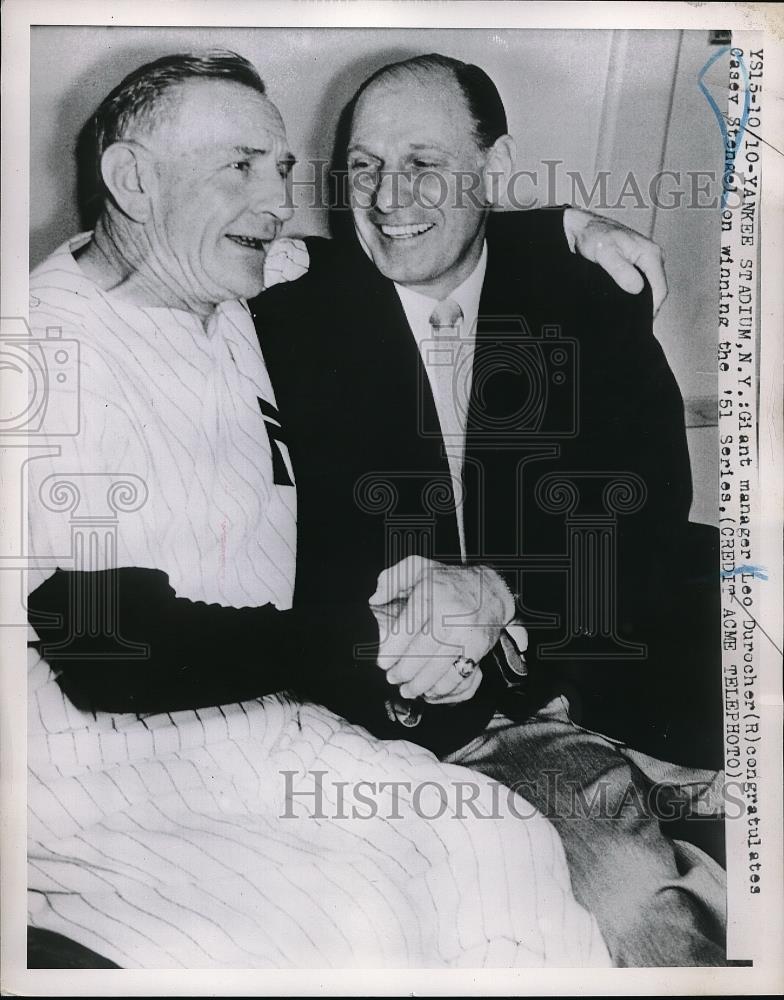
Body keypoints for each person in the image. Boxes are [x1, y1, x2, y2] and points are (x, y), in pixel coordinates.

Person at [24, 50, 661, 970]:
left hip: (263, 728)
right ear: (132, 181)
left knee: (498, 845)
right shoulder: (42, 347)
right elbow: (97, 645)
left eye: (281, 168)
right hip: (104, 771)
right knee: (362, 917)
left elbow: (436, 236)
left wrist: (568, 224)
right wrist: (376, 637)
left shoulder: (230, 288)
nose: (277, 200)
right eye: (239, 165)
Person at [252, 53, 726, 966]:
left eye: (424, 162)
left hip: (636, 671)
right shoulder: (289, 311)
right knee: (630, 916)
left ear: (494, 170)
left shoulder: (587, 291)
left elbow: (650, 508)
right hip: (457, 724)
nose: (389, 196)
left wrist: (504, 596)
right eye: (362, 164)